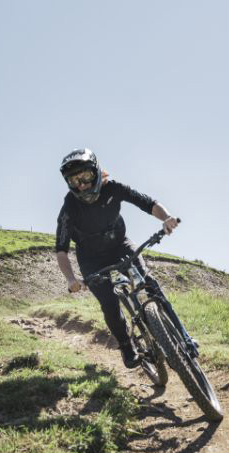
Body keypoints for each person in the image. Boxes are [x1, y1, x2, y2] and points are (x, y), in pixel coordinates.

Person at [55, 148, 179, 368]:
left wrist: (166, 217)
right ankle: (126, 346)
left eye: (85, 177)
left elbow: (147, 202)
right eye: (74, 181)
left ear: (96, 171)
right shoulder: (69, 208)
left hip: (119, 244)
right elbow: (61, 249)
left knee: (149, 283)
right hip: (90, 258)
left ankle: (178, 334)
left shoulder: (114, 188)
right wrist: (70, 279)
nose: (81, 185)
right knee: (109, 303)